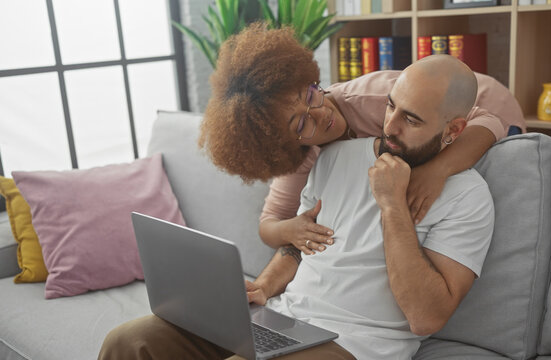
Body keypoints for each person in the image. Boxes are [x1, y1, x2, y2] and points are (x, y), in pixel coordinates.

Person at [99, 54, 494, 360]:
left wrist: (392, 204)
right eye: (390, 107)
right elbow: (296, 244)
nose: (390, 126)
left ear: (454, 131)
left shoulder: (467, 196)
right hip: (283, 318)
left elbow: (426, 317)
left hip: (353, 346)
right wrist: (263, 287)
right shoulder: (335, 157)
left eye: (411, 119)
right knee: (130, 344)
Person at [199, 23, 523, 255]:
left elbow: (488, 120)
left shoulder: (374, 97)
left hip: (487, 104)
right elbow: (268, 226)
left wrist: (436, 172)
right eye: (300, 123)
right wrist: (291, 230)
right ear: (283, 146)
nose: (320, 112)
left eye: (309, 93)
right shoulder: (301, 157)